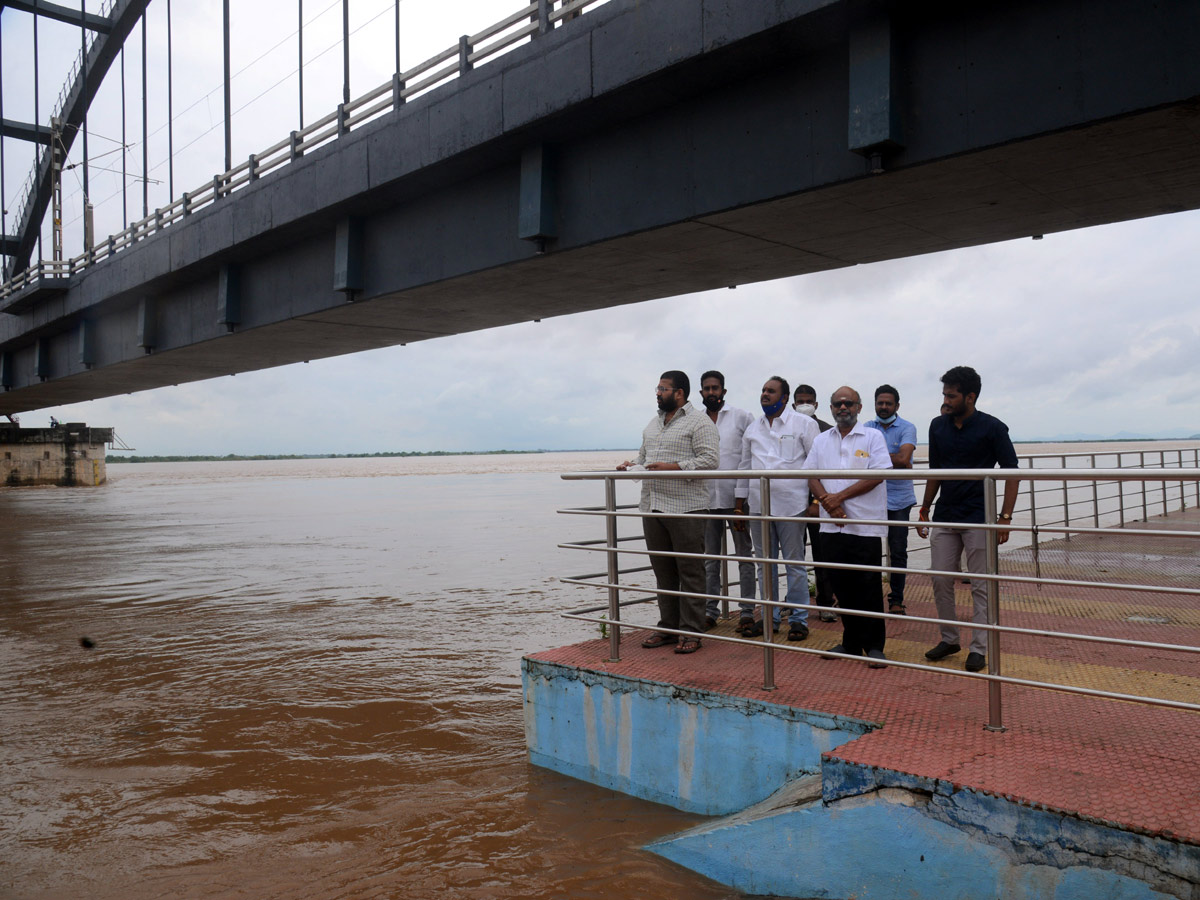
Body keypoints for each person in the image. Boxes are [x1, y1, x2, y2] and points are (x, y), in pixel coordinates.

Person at [916, 366, 1020, 673]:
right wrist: (924, 509)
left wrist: (1005, 517)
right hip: (946, 515)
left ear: (970, 397)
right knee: (939, 578)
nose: (946, 400)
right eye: (944, 394)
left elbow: (1012, 472)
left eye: (952, 395)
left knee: (980, 584)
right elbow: (935, 472)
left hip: (979, 517)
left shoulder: (993, 428)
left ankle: (979, 647)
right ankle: (949, 639)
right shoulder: (937, 426)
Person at [618, 370, 719, 654]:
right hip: (652, 506)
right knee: (663, 572)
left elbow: (710, 461)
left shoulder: (700, 422)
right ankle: (669, 627)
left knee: (690, 572)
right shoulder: (653, 424)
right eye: (657, 388)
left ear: (679, 393)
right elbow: (644, 457)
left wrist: (673, 467)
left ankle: (691, 631)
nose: (658, 393)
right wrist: (631, 464)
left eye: (663, 388)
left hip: (687, 507)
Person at [804, 386, 891, 667]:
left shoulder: (873, 437)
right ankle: (851, 642)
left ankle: (875, 646)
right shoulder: (821, 440)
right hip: (831, 527)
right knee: (841, 584)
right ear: (830, 408)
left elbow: (877, 475)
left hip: (864, 525)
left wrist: (838, 498)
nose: (843, 408)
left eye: (848, 403)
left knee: (868, 586)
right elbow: (810, 475)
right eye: (838, 404)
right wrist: (828, 504)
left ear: (859, 407)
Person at [734, 376, 820, 640]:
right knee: (764, 565)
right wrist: (739, 505)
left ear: (784, 398)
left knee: (794, 564)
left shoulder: (804, 424)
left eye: (771, 391)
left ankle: (798, 620)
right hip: (759, 507)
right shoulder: (753, 429)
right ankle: (769, 618)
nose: (764, 394)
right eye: (762, 390)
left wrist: (815, 501)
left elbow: (818, 465)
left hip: (791, 506)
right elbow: (744, 468)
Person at [698, 371, 756, 630]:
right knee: (710, 559)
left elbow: (752, 457)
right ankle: (709, 611)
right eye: (707, 389)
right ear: (701, 393)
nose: (712, 392)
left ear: (723, 391)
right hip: (706, 500)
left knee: (744, 557)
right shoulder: (695, 421)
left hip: (738, 500)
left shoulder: (742, 417)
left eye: (715, 388)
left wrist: (742, 503)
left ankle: (746, 612)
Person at [864, 384, 918, 615]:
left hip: (899, 499)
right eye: (880, 403)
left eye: (888, 403)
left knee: (898, 551)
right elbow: (859, 461)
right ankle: (870, 599)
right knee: (869, 551)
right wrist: (890, 457)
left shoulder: (908, 427)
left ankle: (896, 599)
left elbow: (905, 459)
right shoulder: (865, 427)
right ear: (874, 404)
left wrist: (873, 455)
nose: (884, 407)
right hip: (871, 498)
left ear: (897, 405)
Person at [794, 383, 837, 623]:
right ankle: (796, 603)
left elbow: (828, 470)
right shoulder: (785, 427)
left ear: (817, 404)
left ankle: (826, 603)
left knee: (823, 555)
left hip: (819, 503)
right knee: (794, 556)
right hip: (791, 503)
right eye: (800, 401)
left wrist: (817, 500)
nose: (804, 405)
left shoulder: (827, 431)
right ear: (793, 404)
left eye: (808, 401)